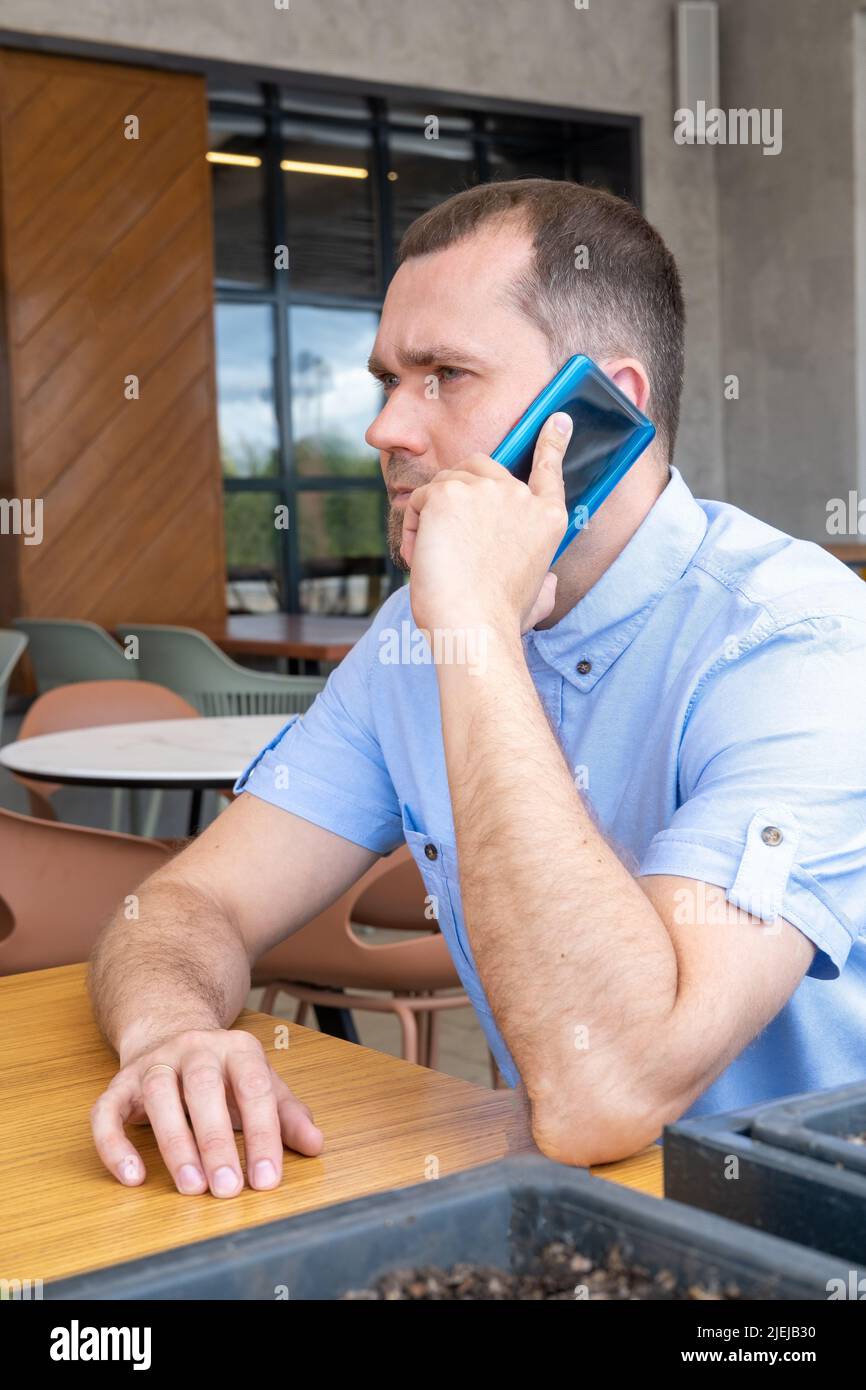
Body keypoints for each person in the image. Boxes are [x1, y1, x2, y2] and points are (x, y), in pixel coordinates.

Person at [89, 179, 866, 1199]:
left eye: (442, 375)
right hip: (574, 1220)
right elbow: (185, 903)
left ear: (600, 416)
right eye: (385, 380)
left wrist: (472, 630)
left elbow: (606, 1090)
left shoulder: (797, 642)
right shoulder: (408, 639)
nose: (382, 430)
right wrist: (172, 1036)